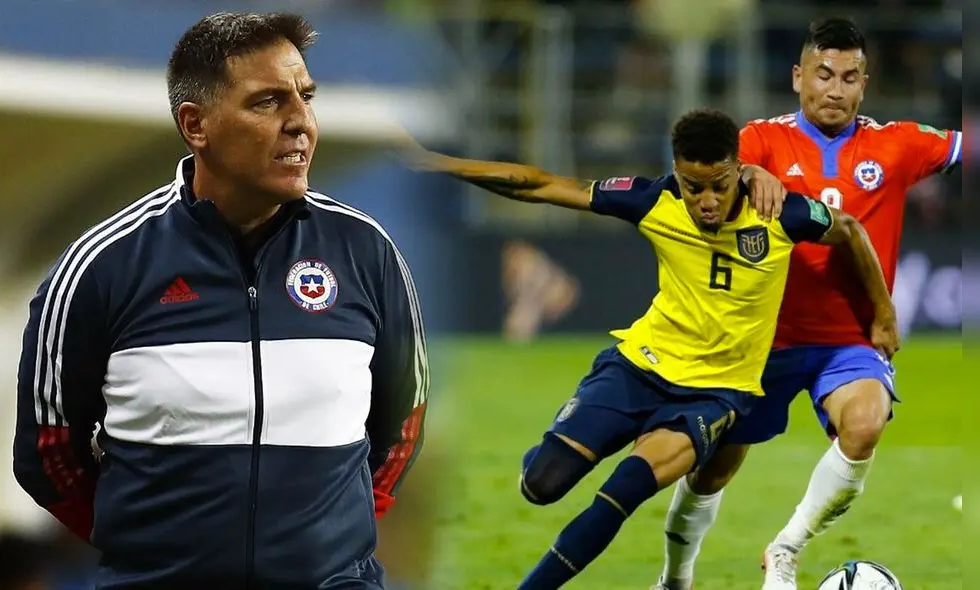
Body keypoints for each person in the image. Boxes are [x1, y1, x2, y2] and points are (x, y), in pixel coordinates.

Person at [12, 12, 429, 589]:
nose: (300, 122)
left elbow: (402, 424)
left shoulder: (367, 252)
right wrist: (145, 550)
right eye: (267, 102)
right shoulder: (99, 268)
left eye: (306, 97)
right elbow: (48, 452)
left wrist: (330, 539)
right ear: (195, 124)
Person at [404, 107, 897, 589]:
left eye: (719, 186)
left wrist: (883, 311)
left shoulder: (781, 212)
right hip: (639, 367)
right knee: (541, 485)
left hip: (715, 394)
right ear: (676, 174)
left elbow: (850, 229)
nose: (706, 200)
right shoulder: (653, 200)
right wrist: (434, 162)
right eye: (693, 186)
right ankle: (564, 444)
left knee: (622, 492)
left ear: (737, 172)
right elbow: (540, 184)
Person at [654, 18, 963, 590]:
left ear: (864, 84)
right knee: (711, 470)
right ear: (799, 77)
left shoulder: (895, 144)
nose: (836, 89)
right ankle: (675, 577)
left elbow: (965, 147)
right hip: (761, 340)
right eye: (823, 74)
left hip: (847, 340)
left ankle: (786, 549)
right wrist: (745, 172)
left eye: (850, 77)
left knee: (866, 425)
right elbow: (713, 174)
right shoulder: (761, 141)